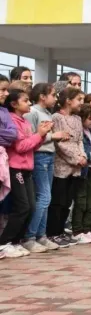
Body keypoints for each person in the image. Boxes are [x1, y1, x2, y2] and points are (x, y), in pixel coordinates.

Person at [23, 84, 67, 251]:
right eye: (53, 95)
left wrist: (55, 138)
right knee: (43, 197)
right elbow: (32, 136)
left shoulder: (47, 113)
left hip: (49, 156)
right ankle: (29, 237)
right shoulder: (32, 112)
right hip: (39, 157)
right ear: (42, 96)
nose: (56, 98)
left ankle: (41, 236)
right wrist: (53, 135)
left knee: (46, 198)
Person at [0, 89, 43, 258]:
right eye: (26, 101)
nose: (29, 103)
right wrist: (38, 135)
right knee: (22, 206)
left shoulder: (25, 122)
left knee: (31, 206)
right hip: (15, 168)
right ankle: (4, 242)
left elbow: (31, 146)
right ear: (14, 104)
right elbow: (20, 147)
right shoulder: (11, 120)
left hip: (27, 169)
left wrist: (41, 136)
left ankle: (16, 241)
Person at [48, 87, 86, 248]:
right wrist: (75, 158)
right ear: (68, 100)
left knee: (68, 201)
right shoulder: (56, 117)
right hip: (62, 165)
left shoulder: (77, 118)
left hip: (77, 166)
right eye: (79, 99)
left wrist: (83, 156)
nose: (81, 103)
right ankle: (53, 232)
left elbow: (79, 140)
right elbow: (59, 143)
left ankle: (61, 231)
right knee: (58, 201)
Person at [71, 104, 91, 244]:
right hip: (82, 170)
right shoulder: (80, 133)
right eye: (90, 118)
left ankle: (87, 229)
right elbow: (78, 152)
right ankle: (77, 230)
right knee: (81, 201)